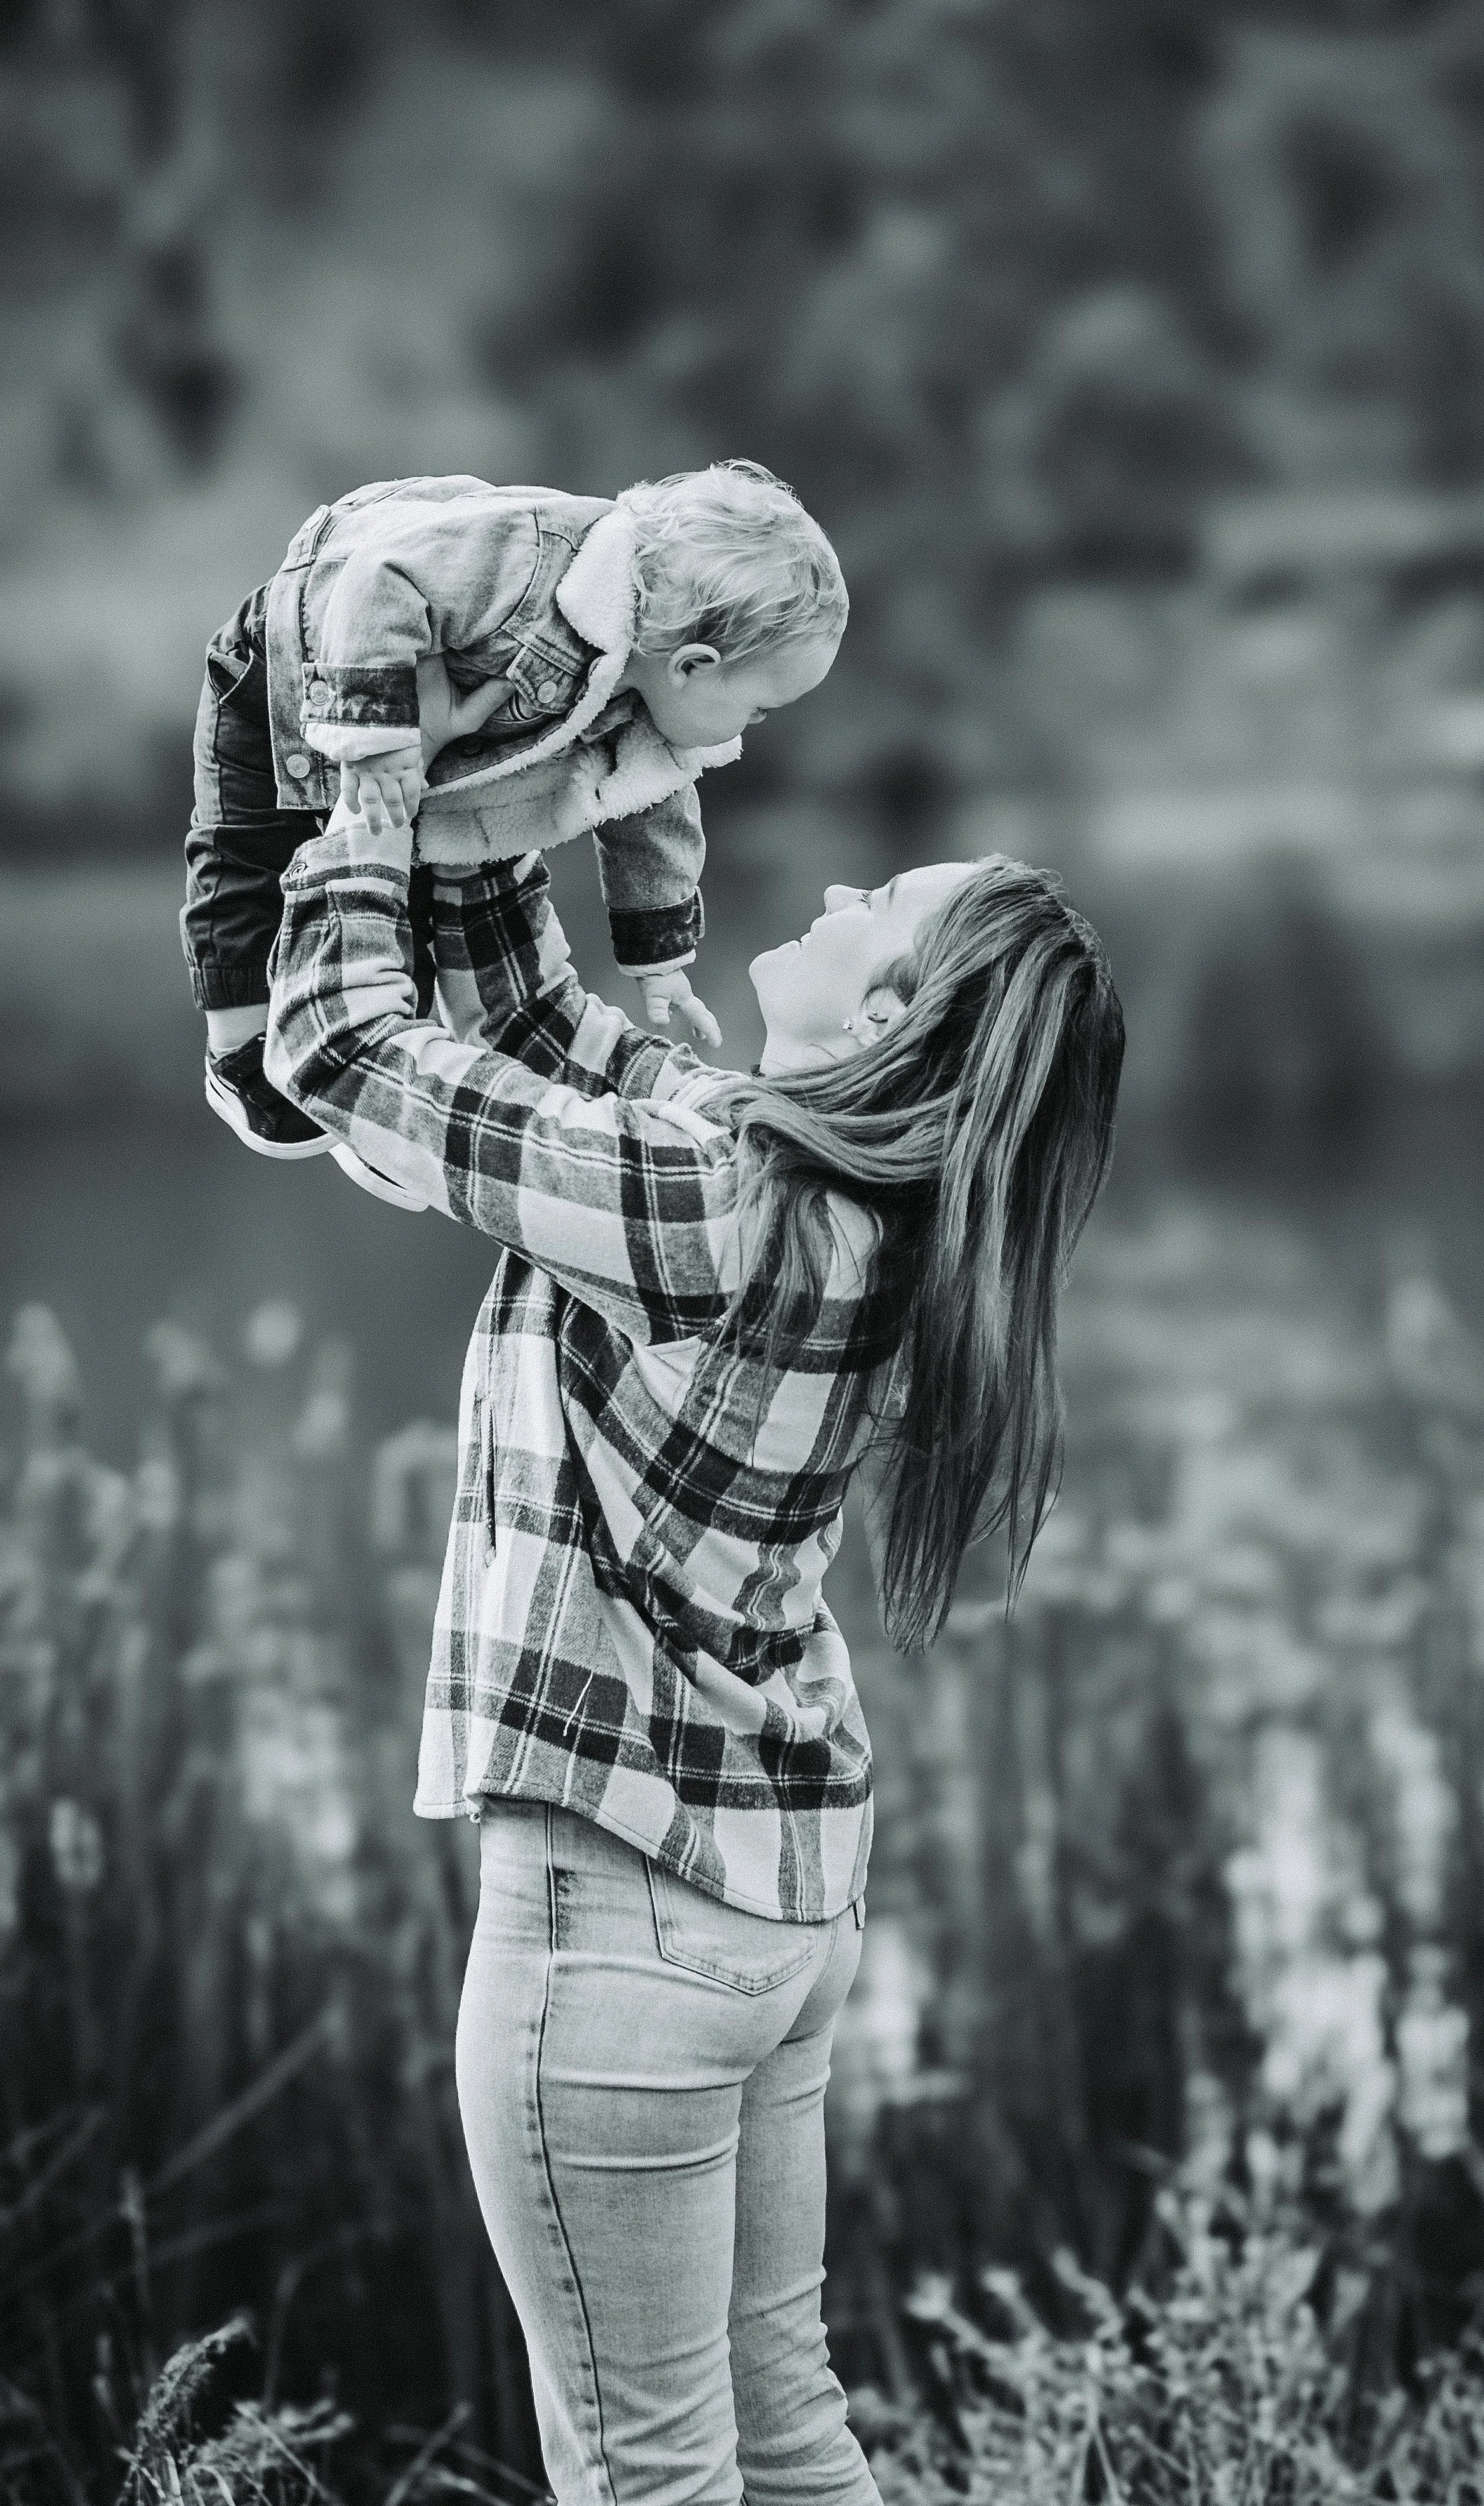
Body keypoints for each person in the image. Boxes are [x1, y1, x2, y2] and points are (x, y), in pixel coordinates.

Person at [263, 701, 1125, 2503]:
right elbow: (537, 1043)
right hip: (772, 1921)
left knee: (643, 2471)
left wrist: (361, 772)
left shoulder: (711, 1195)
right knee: (782, 2420)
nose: (824, 891)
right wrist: (533, 770)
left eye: (871, 905)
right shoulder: (871, 1226)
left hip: (617, 1924)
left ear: (889, 1021)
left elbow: (343, 1047)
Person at [183, 458, 846, 1199]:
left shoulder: (650, 686)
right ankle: (236, 1050)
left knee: (410, 908)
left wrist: (659, 956)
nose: (755, 728)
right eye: (759, 709)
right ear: (693, 664)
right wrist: (380, 741)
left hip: (444, 755)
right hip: (297, 661)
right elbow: (378, 578)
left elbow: (649, 810)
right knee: (253, 859)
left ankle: (393, 1085)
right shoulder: (528, 565)